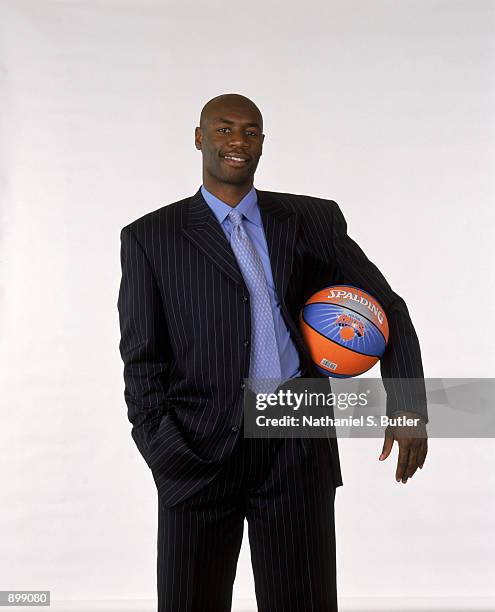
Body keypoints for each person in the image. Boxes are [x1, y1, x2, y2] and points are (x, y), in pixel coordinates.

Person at [117, 93, 428, 612]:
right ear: (199, 138)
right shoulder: (152, 237)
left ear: (262, 143)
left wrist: (409, 406)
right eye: (224, 129)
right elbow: (142, 359)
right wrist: (166, 453)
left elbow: (386, 307)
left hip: (294, 449)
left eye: (251, 132)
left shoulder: (310, 220)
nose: (238, 142)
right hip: (197, 455)